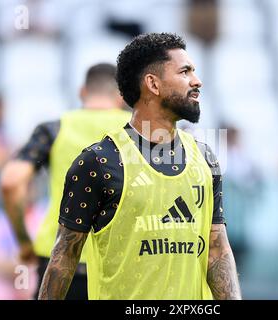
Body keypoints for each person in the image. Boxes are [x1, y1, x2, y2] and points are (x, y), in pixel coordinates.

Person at [38, 32, 241, 300]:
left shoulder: (205, 158)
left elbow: (218, 250)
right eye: (185, 71)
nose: (197, 80)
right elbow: (63, 257)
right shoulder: (98, 163)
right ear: (153, 85)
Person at [0, 63, 130, 300]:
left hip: (58, 263)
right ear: (121, 96)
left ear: (82, 92)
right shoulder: (140, 130)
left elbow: (11, 182)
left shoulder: (54, 128)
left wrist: (23, 242)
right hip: (122, 265)